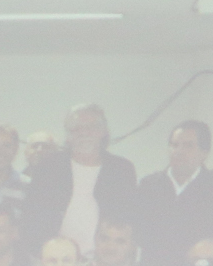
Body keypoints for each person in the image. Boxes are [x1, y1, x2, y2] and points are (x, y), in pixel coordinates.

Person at [134, 120, 213, 266]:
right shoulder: (149, 186)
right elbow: (137, 232)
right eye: (174, 145)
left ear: (204, 153)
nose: (178, 151)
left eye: (188, 145)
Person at [25, 103, 137, 253]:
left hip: (105, 260)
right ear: (68, 135)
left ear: (103, 131)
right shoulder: (49, 167)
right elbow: (31, 216)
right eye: (77, 128)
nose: (84, 133)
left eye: (91, 127)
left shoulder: (122, 170)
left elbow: (129, 220)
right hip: (55, 260)